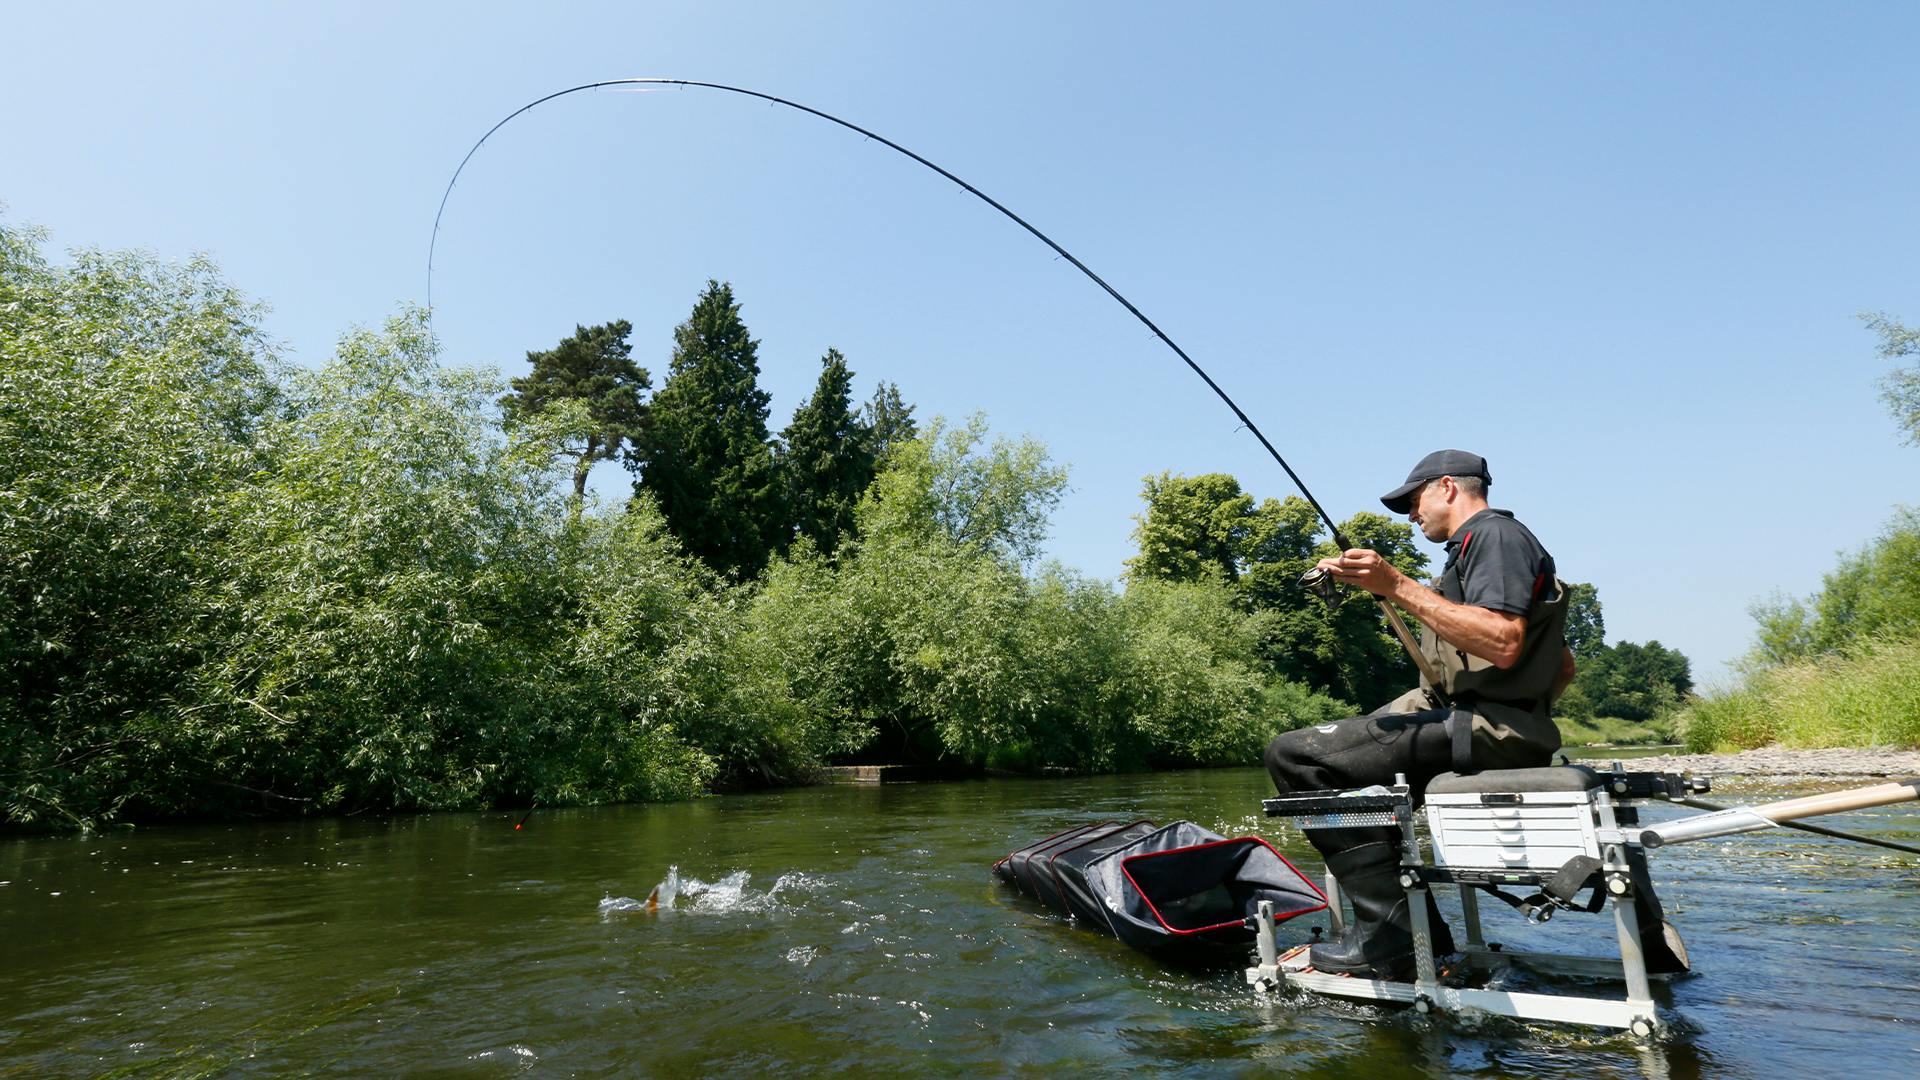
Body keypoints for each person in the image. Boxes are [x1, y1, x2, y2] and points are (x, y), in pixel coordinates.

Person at [1264, 449, 1576, 978]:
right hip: (1482, 717)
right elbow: (1561, 665)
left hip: (1486, 725)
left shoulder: (1494, 538)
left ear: (1448, 487)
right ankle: (1412, 932)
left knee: (1295, 757)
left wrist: (1397, 585)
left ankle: (1393, 937)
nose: (1411, 514)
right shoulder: (1475, 550)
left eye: (1413, 500)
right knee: (1339, 754)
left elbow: (1502, 642)